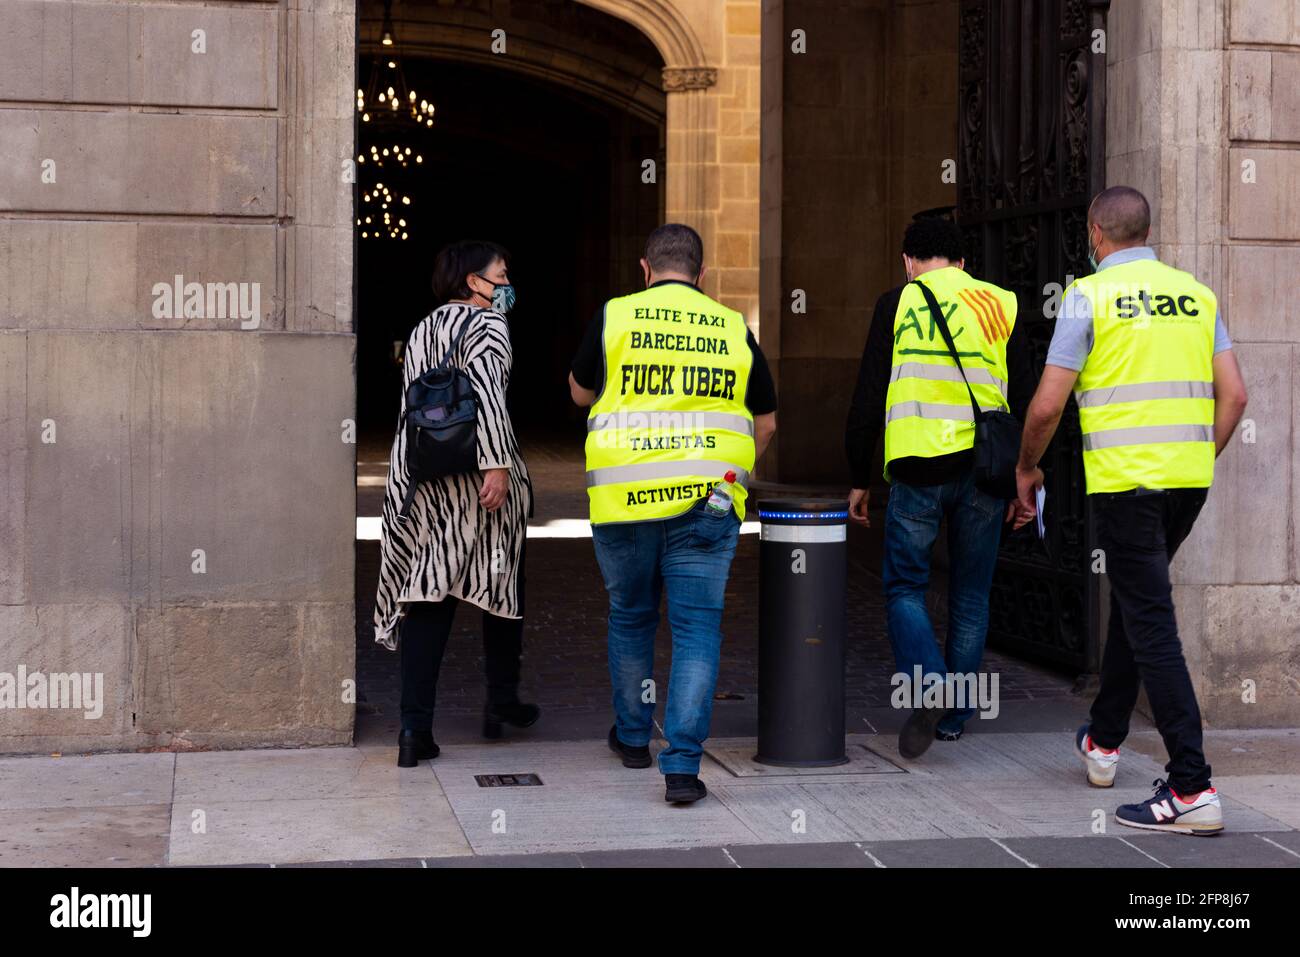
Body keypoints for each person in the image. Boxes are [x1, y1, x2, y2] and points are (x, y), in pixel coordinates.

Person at [1014, 186, 1247, 834]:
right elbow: (1235, 396)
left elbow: (1044, 406)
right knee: (1138, 603)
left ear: (1095, 233)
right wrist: (1198, 456)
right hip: (1186, 482)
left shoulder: (1088, 295)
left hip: (1128, 487)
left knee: (1151, 621)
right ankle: (1106, 739)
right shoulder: (1196, 295)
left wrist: (1028, 466)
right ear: (1147, 230)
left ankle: (1192, 785)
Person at [568, 223, 778, 804]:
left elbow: (580, 393)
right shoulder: (732, 327)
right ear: (702, 274)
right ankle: (682, 767)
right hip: (707, 506)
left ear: (645, 268)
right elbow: (767, 421)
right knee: (696, 632)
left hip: (625, 503)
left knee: (632, 618)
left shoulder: (617, 316)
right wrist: (731, 476)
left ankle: (634, 738)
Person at [845, 215, 1033, 759]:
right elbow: (1022, 397)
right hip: (985, 470)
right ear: (963, 263)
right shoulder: (1001, 303)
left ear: (908, 262)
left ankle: (929, 685)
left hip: (918, 466)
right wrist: (1025, 476)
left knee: (905, 586)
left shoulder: (895, 305)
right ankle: (953, 718)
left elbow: (868, 397)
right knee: (971, 596)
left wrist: (860, 475)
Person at [375, 240, 539, 768]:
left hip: (426, 472)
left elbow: (411, 399)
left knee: (428, 590)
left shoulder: (424, 327)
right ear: (475, 282)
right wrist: (496, 463)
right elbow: (488, 393)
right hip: (476, 473)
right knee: (498, 577)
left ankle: (412, 729)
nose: (507, 285)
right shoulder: (489, 324)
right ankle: (501, 699)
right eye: (501, 275)